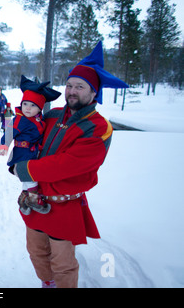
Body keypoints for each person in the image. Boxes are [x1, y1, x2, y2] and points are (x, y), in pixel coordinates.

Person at [13, 41, 129, 288]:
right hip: (36, 201)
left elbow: (68, 164)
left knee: (63, 263)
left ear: (93, 92)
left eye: (80, 86)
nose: (72, 90)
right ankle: (47, 283)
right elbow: (29, 138)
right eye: (69, 85)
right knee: (37, 254)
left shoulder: (98, 127)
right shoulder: (52, 115)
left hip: (64, 206)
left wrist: (25, 169)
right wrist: (17, 152)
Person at [0, 76, 61, 215]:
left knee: (30, 176)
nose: (27, 108)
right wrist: (4, 145)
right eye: (25, 104)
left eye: (33, 106)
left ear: (39, 109)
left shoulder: (39, 119)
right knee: (31, 175)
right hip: (23, 153)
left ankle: (24, 200)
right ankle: (33, 199)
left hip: (33, 152)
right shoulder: (20, 119)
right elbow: (10, 131)